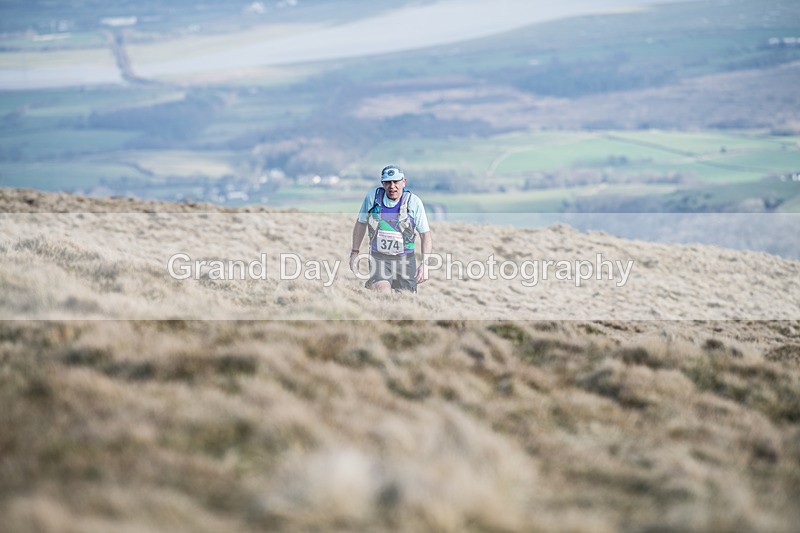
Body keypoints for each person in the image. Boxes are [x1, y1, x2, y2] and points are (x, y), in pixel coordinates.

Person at [349, 164, 432, 293]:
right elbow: (361, 223)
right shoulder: (373, 198)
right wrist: (354, 252)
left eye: (395, 182)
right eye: (387, 182)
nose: (392, 186)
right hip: (379, 258)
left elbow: (425, 234)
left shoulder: (414, 202)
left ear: (404, 182)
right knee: (384, 295)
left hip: (406, 260)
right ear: (382, 183)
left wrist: (425, 264)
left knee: (406, 304)